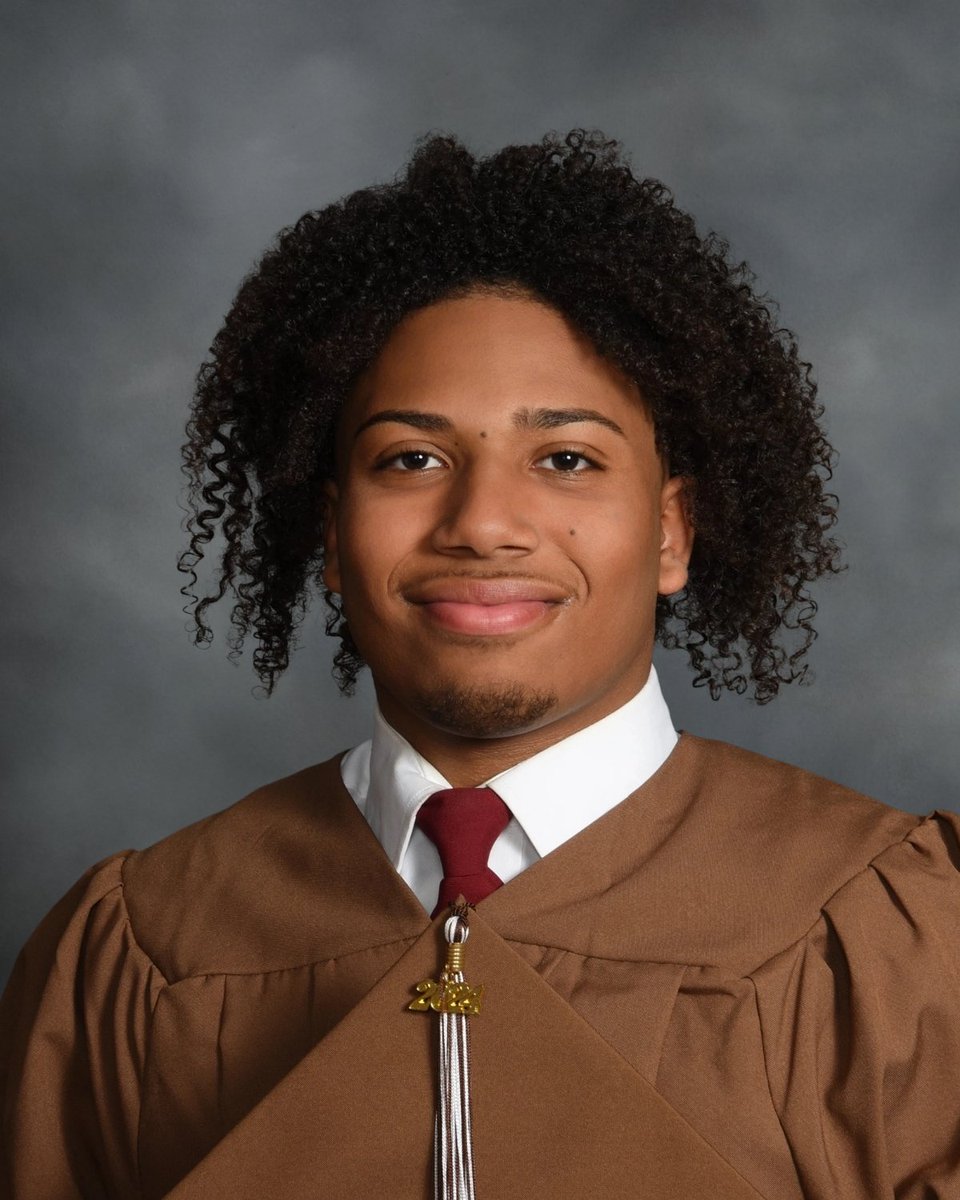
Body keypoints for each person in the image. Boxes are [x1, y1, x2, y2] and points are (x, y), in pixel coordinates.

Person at [1, 130, 957, 1200]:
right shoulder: (142, 949)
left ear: (673, 532)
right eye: (411, 459)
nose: (484, 521)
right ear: (329, 535)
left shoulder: (889, 938)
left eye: (566, 459)